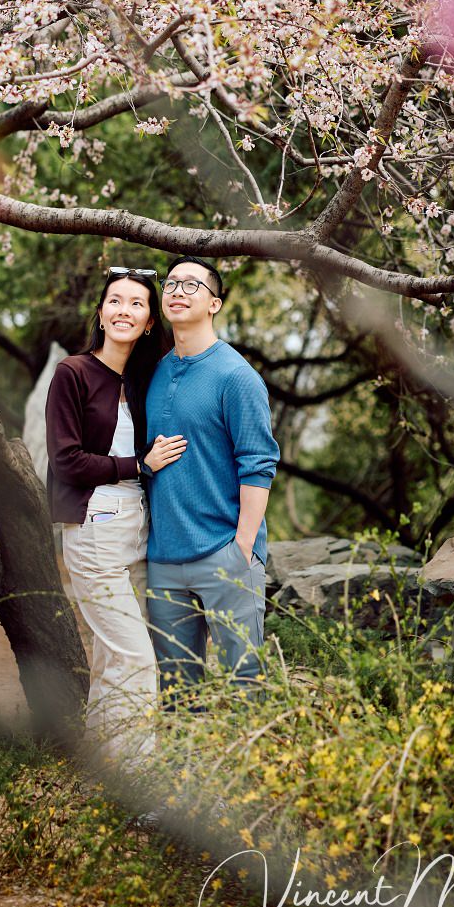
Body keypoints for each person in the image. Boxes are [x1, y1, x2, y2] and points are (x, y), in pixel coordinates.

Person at [45, 267, 179, 761]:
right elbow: (65, 461)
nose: (124, 310)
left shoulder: (148, 380)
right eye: (115, 301)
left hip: (138, 522)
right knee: (136, 657)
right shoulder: (73, 373)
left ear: (149, 322)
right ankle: (138, 777)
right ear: (101, 313)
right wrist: (136, 464)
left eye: (137, 303)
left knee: (111, 659)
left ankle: (100, 770)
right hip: (95, 521)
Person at [144, 256, 279, 706]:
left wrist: (242, 548)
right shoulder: (155, 372)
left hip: (224, 552)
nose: (178, 291)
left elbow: (258, 463)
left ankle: (249, 777)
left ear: (215, 303)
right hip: (163, 561)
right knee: (178, 696)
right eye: (172, 283)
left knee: (245, 691)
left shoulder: (236, 376)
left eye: (192, 285)